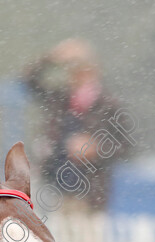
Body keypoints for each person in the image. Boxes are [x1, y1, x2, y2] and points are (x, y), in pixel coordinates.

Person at [23, 38, 128, 212]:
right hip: (57, 186)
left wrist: (96, 148)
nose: (79, 76)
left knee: (87, 236)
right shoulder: (60, 99)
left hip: (91, 191)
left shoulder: (109, 105)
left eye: (85, 70)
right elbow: (29, 81)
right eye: (75, 70)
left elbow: (124, 145)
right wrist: (52, 58)